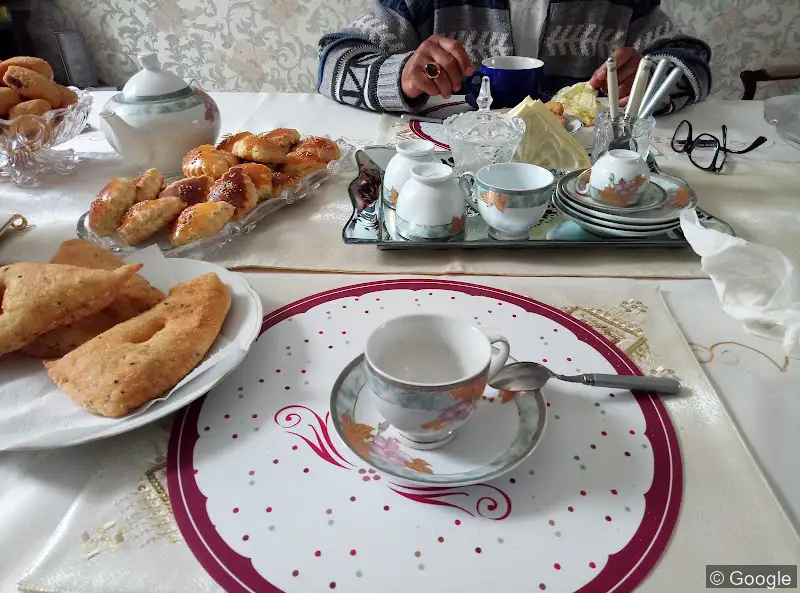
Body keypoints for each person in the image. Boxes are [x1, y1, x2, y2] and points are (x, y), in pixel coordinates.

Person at [317, 0, 711, 115]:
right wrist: (402, 75)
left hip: (582, 178)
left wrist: (646, 80)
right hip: (450, 171)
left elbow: (690, 59)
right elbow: (333, 60)